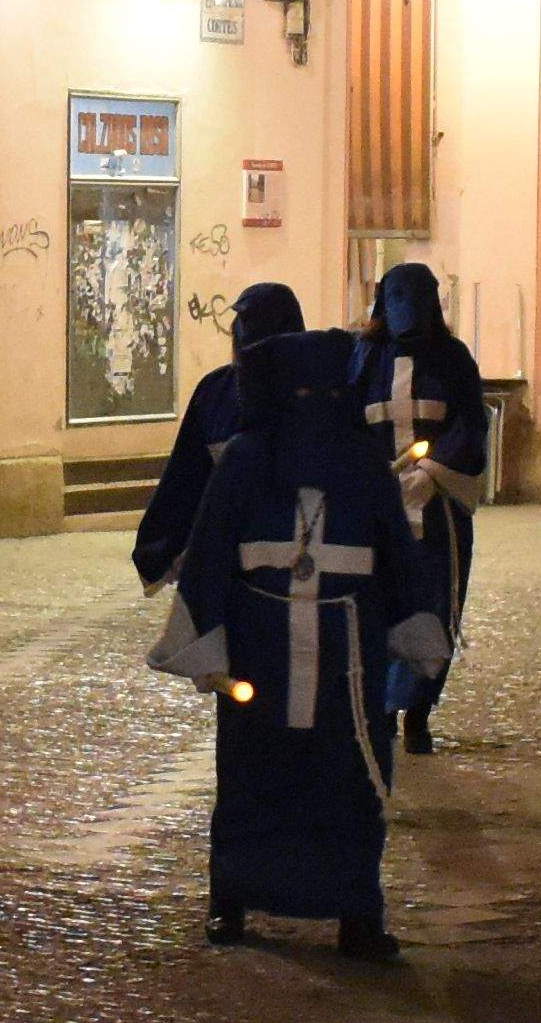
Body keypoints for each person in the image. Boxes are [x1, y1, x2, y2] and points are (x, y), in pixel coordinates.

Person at [158, 326, 444, 957]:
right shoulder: (249, 461)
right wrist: (206, 644)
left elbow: (394, 550)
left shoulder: (356, 463)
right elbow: (211, 551)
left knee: (346, 779)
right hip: (270, 648)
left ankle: (356, 911)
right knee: (254, 774)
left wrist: (415, 622)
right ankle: (232, 898)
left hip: (345, 654)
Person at [352, 261, 489, 755]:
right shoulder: (365, 356)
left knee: (433, 606)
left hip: (438, 512)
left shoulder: (452, 359)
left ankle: (418, 711)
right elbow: (349, 423)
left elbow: (471, 423)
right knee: (378, 606)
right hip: (379, 510)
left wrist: (432, 474)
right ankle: (383, 708)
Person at [130, 279, 306, 593]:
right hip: (228, 561)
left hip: (301, 557)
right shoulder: (216, 393)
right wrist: (161, 550)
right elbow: (188, 476)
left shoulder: (316, 393)